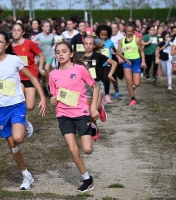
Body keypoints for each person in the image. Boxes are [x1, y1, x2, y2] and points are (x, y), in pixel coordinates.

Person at [0, 31, 47, 190]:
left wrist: (42, 98)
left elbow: (32, 78)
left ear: (6, 45)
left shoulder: (14, 60)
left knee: (18, 137)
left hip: (17, 105)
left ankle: (25, 122)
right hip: (0, 109)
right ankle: (26, 175)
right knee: (13, 145)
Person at [49, 41, 100, 192]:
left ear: (71, 54)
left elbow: (95, 87)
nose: (61, 54)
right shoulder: (53, 74)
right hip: (63, 114)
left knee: (88, 149)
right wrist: (53, 100)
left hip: (81, 113)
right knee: (73, 149)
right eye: (58, 52)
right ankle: (87, 179)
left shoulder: (79, 69)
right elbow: (54, 95)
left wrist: (93, 107)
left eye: (64, 51)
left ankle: (92, 126)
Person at [11, 23, 46, 137]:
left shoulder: (29, 43)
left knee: (30, 106)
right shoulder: (10, 47)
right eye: (14, 30)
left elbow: (41, 55)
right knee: (20, 102)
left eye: (18, 30)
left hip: (30, 76)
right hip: (18, 78)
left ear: (23, 32)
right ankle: (23, 123)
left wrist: (40, 67)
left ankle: (24, 120)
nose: (15, 32)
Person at [82, 36, 117, 141]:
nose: (88, 46)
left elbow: (114, 63)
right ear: (83, 45)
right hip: (86, 86)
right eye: (86, 43)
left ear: (94, 46)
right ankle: (95, 130)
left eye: (90, 44)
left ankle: (100, 108)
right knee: (90, 112)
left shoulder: (98, 56)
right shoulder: (79, 57)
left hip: (97, 84)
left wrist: (110, 75)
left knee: (95, 108)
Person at [118, 24, 147, 106]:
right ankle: (133, 98)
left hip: (136, 61)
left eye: (131, 31)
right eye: (128, 31)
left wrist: (143, 61)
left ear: (134, 32)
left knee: (137, 83)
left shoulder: (137, 40)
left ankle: (133, 86)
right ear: (125, 31)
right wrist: (120, 58)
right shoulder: (122, 41)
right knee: (128, 81)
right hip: (127, 62)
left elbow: (141, 51)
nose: (129, 33)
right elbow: (118, 51)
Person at [32, 20, 55, 95]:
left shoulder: (52, 35)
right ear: (42, 27)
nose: (48, 28)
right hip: (41, 57)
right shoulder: (39, 36)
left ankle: (49, 86)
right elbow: (30, 43)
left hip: (50, 55)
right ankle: (44, 85)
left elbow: (53, 43)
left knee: (47, 69)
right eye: (46, 26)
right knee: (42, 73)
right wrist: (36, 42)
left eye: (49, 26)